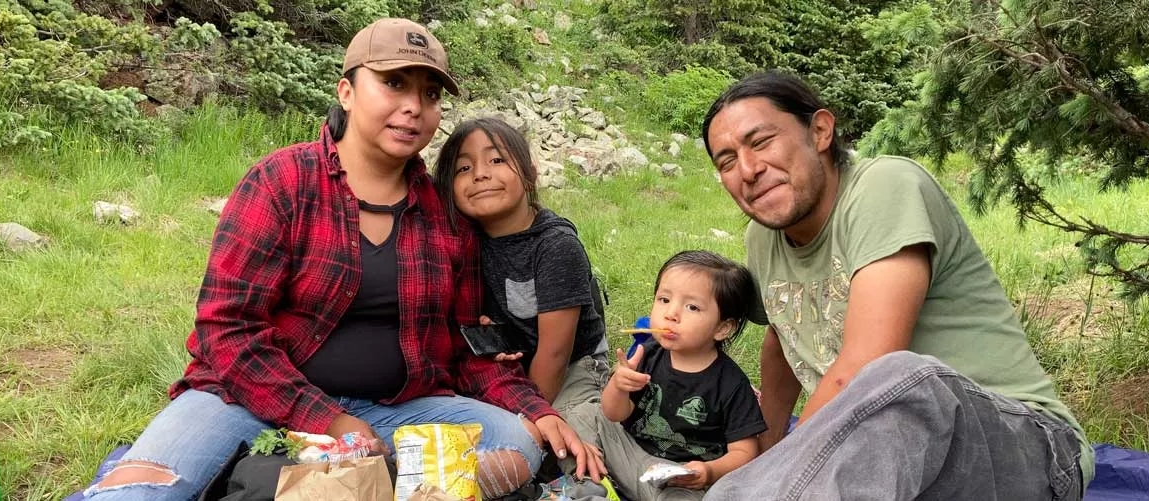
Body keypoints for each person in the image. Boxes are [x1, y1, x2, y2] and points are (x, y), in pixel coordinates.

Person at [83, 18, 602, 500]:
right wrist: (328, 420)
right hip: (247, 401)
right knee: (142, 490)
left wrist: (535, 409)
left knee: (517, 439)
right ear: (347, 92)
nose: (414, 106)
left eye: (430, 93)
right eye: (394, 83)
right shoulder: (282, 182)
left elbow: (466, 346)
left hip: (397, 411)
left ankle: (336, 479)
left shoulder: (444, 216)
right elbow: (227, 328)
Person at [699, 70, 1092, 500]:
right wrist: (764, 452)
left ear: (820, 131)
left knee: (895, 378)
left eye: (761, 142)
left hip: (1027, 451)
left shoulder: (884, 186)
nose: (749, 169)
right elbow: (780, 335)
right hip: (894, 460)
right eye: (727, 161)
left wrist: (774, 479)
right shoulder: (762, 238)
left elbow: (862, 371)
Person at [433, 117, 610, 417]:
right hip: (511, 368)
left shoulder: (555, 246)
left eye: (497, 159)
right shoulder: (464, 243)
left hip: (574, 367)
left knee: (575, 429)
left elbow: (555, 354)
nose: (480, 174)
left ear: (530, 174)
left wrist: (529, 415)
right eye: (463, 168)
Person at [567, 250, 767, 501]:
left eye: (692, 306)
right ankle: (594, 483)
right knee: (579, 416)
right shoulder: (648, 353)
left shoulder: (731, 383)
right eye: (664, 299)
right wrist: (618, 386)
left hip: (678, 480)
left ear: (722, 328)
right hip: (631, 452)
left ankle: (595, 484)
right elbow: (614, 414)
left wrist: (708, 471)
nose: (671, 314)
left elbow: (746, 451)